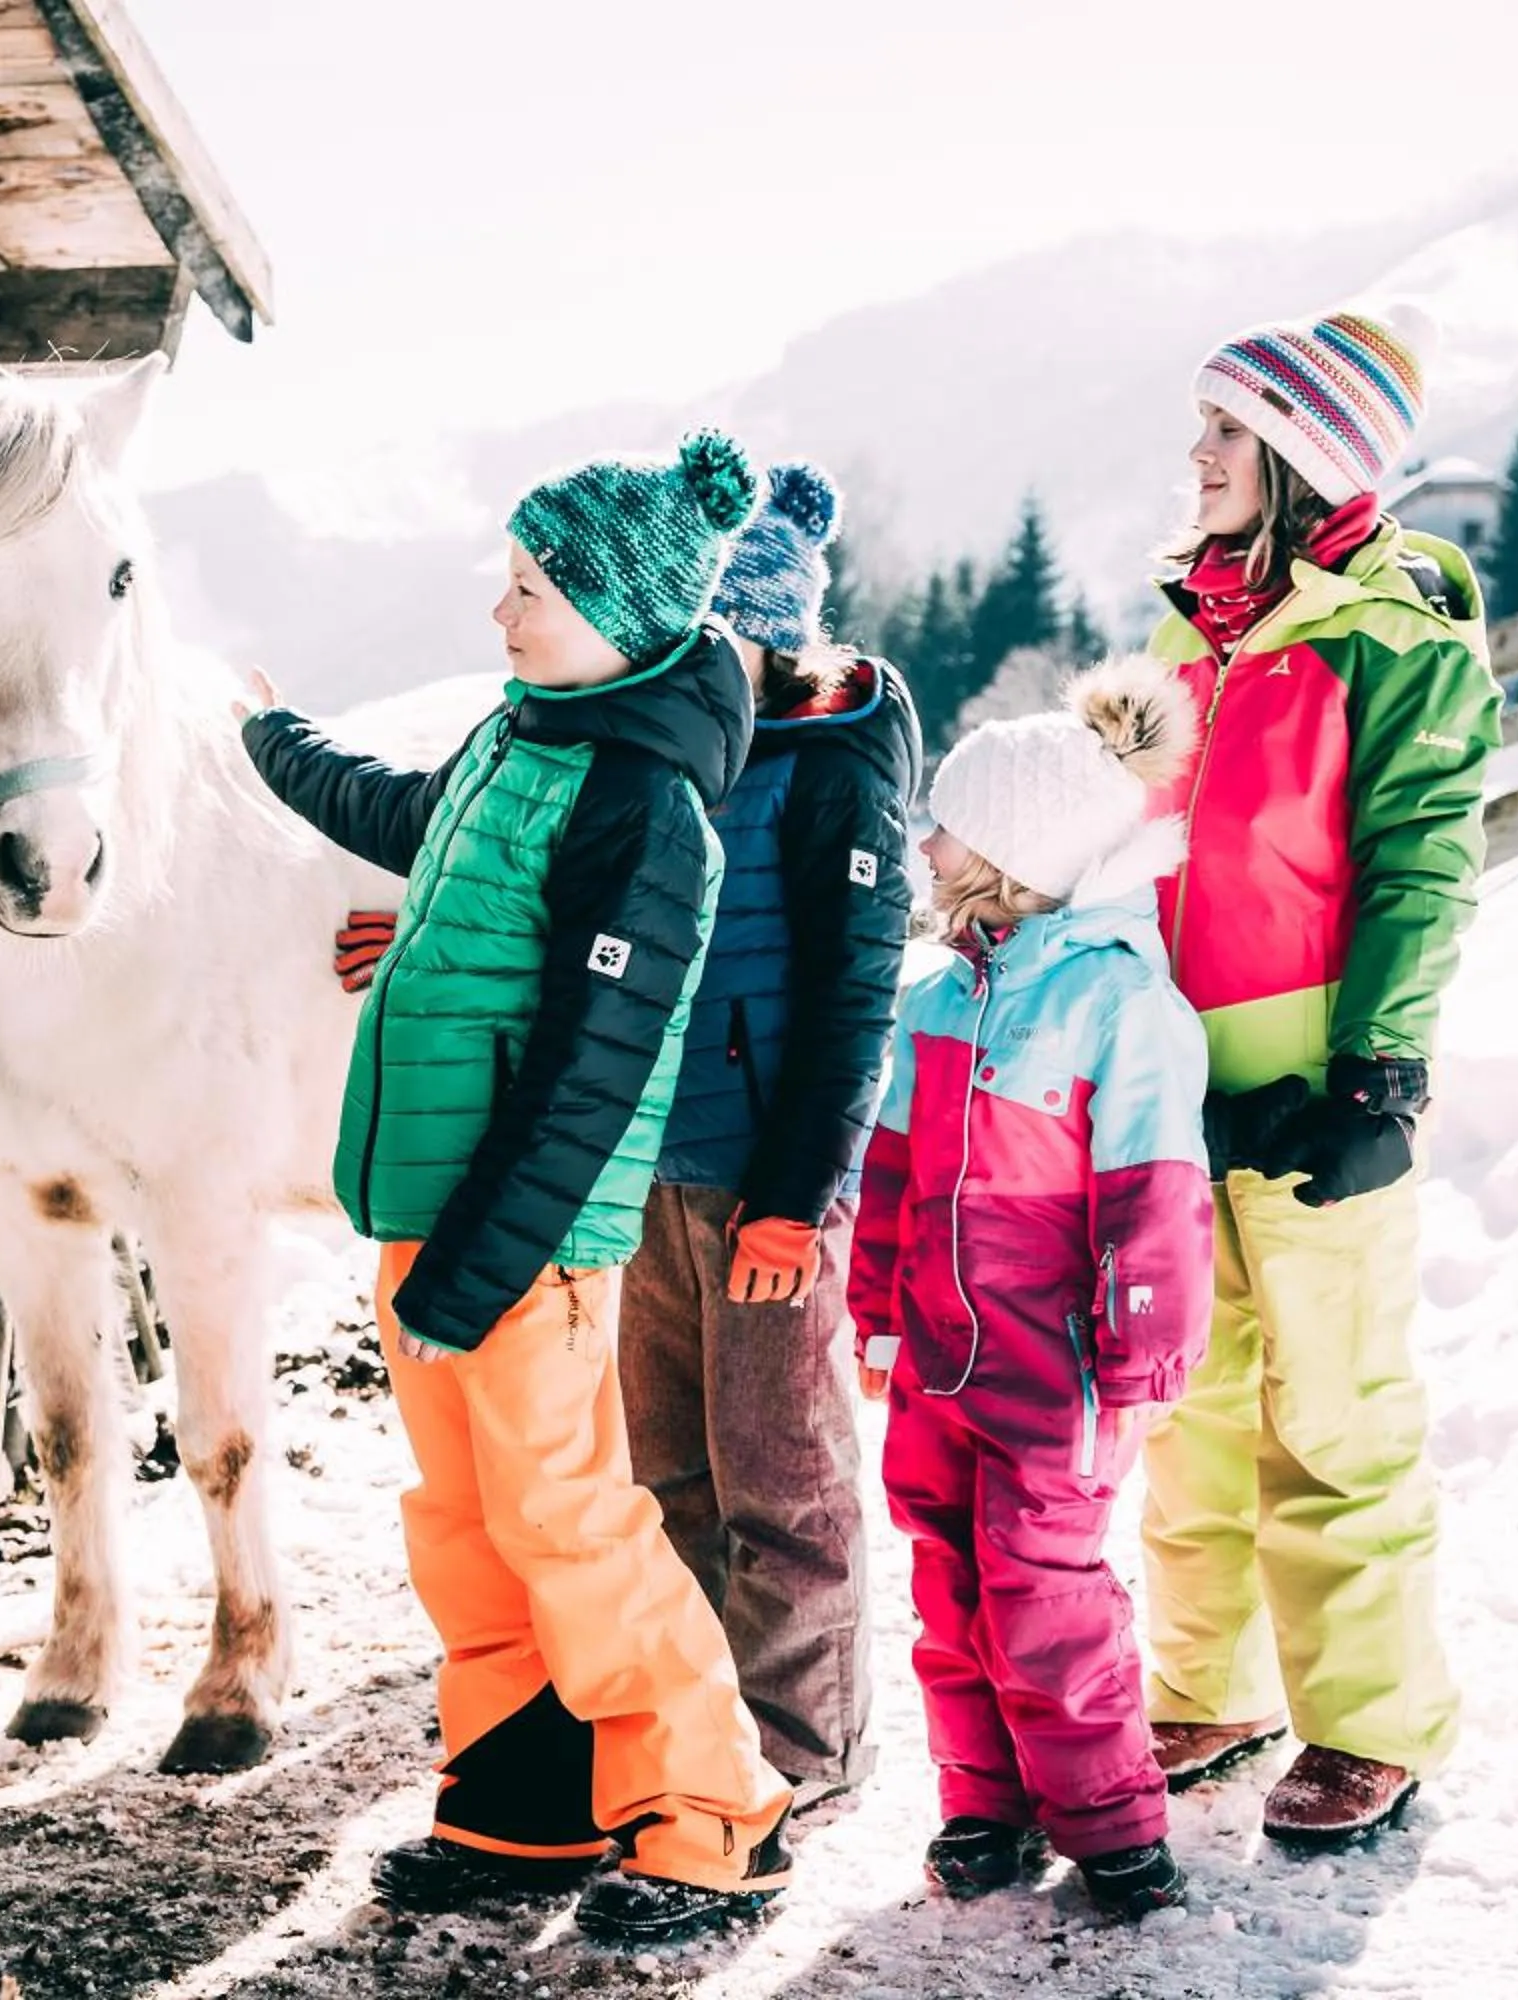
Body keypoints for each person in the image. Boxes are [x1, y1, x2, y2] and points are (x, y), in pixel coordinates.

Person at [238, 434, 794, 1944]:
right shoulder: (522, 738)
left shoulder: (643, 806)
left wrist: (482, 1261)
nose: (503, 612)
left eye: (533, 588)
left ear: (619, 612)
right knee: (468, 1517)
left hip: (525, 1238)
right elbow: (402, 815)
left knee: (568, 1516)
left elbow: (593, 1070)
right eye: (508, 579)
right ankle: (523, 1793)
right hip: (436, 1209)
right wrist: (269, 737)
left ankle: (715, 1814)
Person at [1133, 301, 1502, 1847]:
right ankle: (1207, 1687)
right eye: (1206, 426)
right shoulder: (1184, 626)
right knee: (1189, 1403)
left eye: (1226, 430)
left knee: (1336, 1410)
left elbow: (1423, 854)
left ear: (1299, 450)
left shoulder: (1398, 627)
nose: (1198, 454)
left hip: (1315, 1080)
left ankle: (1371, 1723)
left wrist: (1381, 1074)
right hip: (1171, 1068)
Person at [850, 655, 1215, 1919]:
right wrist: (879, 1314)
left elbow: (1158, 1193)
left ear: (1009, 847)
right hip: (943, 1357)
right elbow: (893, 1173)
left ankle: (1109, 1814)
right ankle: (984, 1802)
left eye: (947, 821)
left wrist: (1142, 1354)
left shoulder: (1119, 1002)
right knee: (948, 1573)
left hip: (1057, 1363)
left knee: (1043, 1583)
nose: (928, 841)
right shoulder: (939, 1001)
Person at [619, 460, 917, 1812]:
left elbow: (856, 1000)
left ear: (779, 639)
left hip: (765, 1187)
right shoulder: (672, 749)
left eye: (722, 639)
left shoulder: (832, 770)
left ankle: (804, 1750)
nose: (696, 663)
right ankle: (699, 1742)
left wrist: (797, 1197)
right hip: (648, 1179)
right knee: (666, 1472)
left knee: (780, 1484)